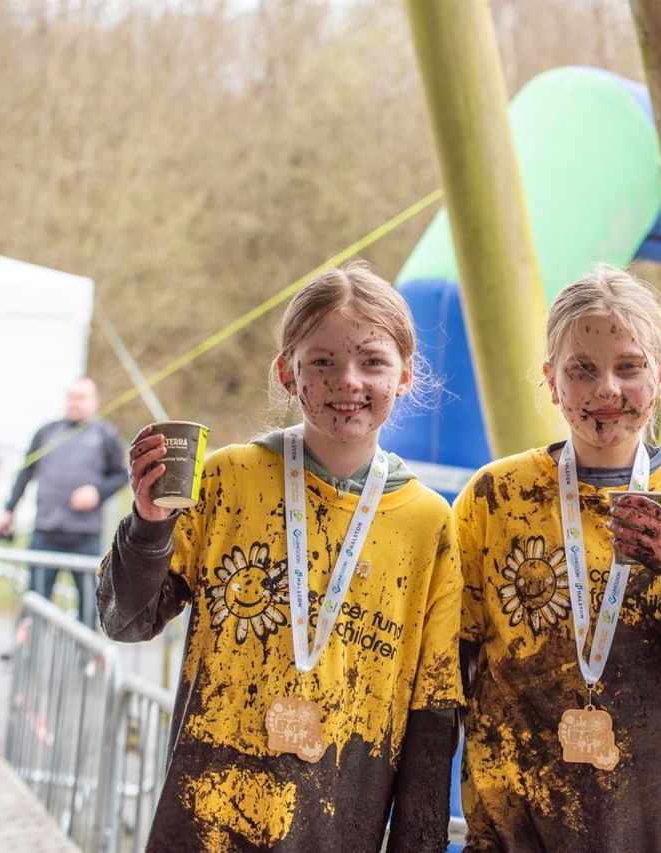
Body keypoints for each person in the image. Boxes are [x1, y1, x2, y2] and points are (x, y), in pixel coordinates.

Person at [96, 261, 462, 851]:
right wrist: (148, 523)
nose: (348, 380)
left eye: (372, 361)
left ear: (404, 376)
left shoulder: (428, 523)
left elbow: (432, 716)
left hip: (339, 827)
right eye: (322, 361)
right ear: (287, 374)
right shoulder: (227, 479)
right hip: (203, 823)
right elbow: (126, 619)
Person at [454, 268, 661, 852]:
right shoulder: (495, 497)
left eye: (629, 366)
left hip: (654, 830)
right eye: (582, 369)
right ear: (552, 380)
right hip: (511, 832)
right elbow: (447, 672)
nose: (606, 391)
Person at [0, 377, 126, 627]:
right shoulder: (47, 432)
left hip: (84, 536)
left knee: (90, 602)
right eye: (71, 397)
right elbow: (25, 472)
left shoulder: (105, 435)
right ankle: (29, 654)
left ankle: (86, 660)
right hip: (46, 531)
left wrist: (97, 492)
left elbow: (120, 476)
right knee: (35, 600)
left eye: (82, 397)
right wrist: (8, 510)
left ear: (95, 401)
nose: (75, 403)